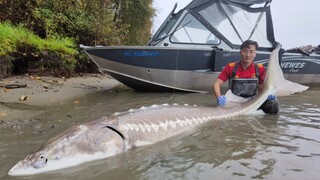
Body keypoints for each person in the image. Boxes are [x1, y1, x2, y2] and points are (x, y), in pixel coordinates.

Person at [212, 40, 279, 114]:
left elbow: (261, 88)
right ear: (240, 52)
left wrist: (268, 95)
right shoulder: (231, 67)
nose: (247, 55)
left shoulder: (260, 68)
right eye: (245, 51)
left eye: (251, 52)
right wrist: (219, 97)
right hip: (234, 101)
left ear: (255, 53)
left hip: (253, 100)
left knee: (273, 105)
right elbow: (216, 84)